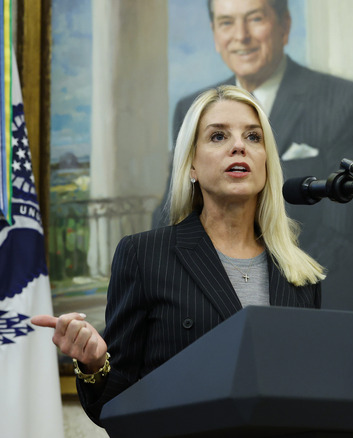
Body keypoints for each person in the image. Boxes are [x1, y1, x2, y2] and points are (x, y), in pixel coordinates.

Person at [32, 85, 325, 425]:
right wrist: (95, 363)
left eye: (253, 137)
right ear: (191, 166)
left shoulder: (300, 274)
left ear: (266, 162)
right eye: (218, 136)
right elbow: (114, 404)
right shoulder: (144, 256)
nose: (239, 146)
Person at [153, 0, 353, 311]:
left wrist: (270, 302)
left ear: (284, 25)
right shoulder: (191, 109)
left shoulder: (345, 101)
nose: (241, 35)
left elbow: (349, 234)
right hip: (204, 311)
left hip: (309, 309)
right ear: (214, 33)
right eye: (226, 22)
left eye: (255, 19)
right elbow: (172, 212)